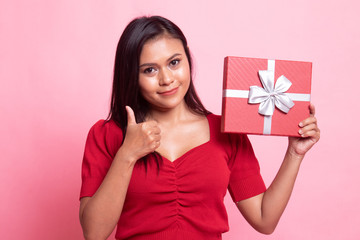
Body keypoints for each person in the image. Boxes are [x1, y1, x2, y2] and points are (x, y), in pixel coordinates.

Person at [79, 16, 320, 240]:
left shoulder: (227, 132)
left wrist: (294, 154)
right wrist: (128, 154)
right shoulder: (107, 134)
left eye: (174, 62)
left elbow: (264, 220)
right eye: (149, 69)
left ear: (188, 60)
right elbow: (94, 232)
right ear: (131, 76)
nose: (166, 79)